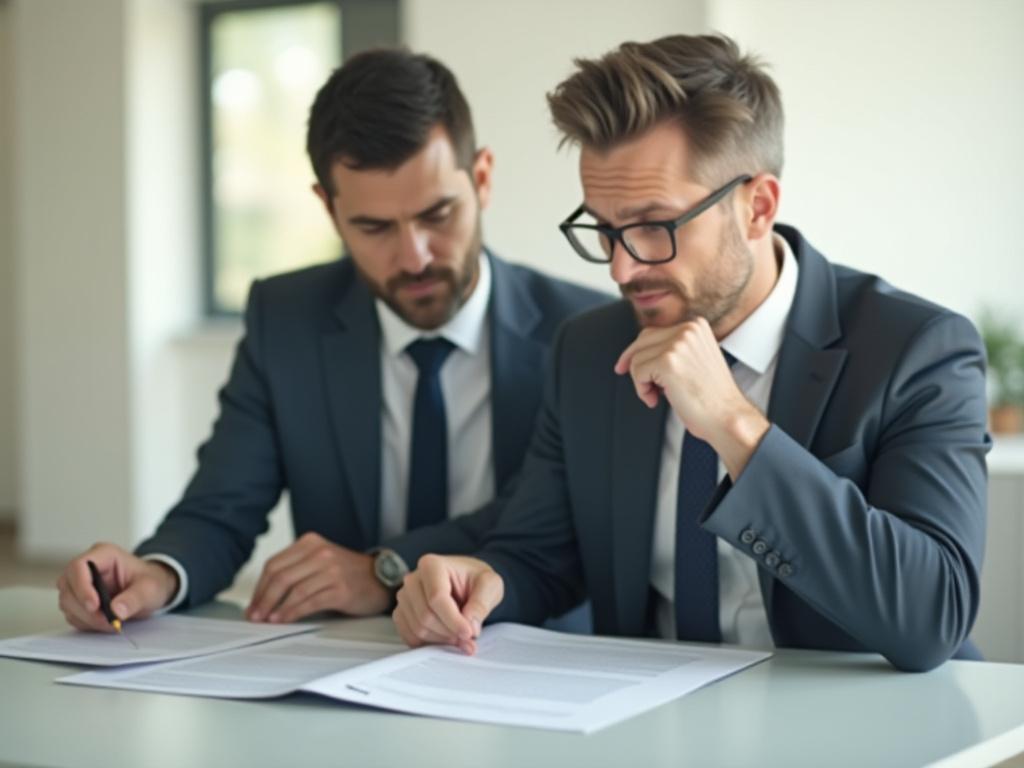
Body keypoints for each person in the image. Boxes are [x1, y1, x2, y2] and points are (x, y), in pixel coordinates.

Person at [391, 34, 990, 672]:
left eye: (655, 226)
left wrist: (734, 425)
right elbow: (539, 554)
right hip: (651, 722)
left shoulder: (917, 351)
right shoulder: (591, 350)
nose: (622, 268)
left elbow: (933, 615)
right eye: (603, 228)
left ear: (757, 206)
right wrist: (482, 581)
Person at [55, 48, 608, 631]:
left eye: (438, 214)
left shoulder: (585, 333)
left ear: (483, 178)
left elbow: (555, 522)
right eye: (374, 227)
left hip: (530, 654)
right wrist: (158, 574)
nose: (414, 255)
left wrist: (384, 570)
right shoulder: (286, 319)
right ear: (328, 208)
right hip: (351, 660)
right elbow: (222, 505)